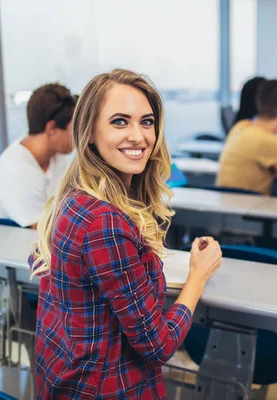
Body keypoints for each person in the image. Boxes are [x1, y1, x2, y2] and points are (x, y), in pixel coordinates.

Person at [30, 69, 223, 399]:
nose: (139, 136)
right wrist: (198, 276)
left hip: (68, 382)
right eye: (120, 121)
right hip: (108, 388)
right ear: (88, 131)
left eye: (146, 122)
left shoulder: (71, 198)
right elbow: (158, 344)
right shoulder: (104, 223)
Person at [0, 83, 76, 227]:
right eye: (73, 129)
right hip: (9, 245)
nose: (78, 137)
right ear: (52, 128)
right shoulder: (16, 171)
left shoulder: (56, 157)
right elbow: (44, 229)